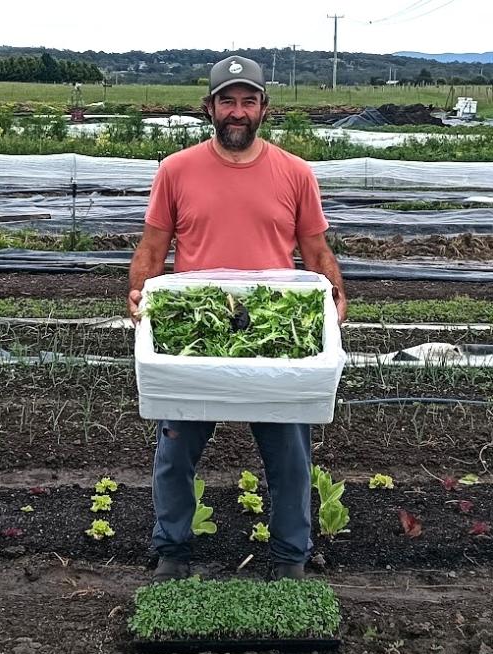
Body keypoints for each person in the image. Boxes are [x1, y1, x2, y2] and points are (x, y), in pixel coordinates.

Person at [127, 54, 347, 583]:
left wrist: (335, 297)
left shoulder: (294, 173)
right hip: (196, 330)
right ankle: (172, 551)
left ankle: (290, 558)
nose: (237, 111)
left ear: (264, 109)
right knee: (175, 450)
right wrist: (137, 293)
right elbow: (154, 248)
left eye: (248, 101)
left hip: (277, 331)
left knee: (291, 457)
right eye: (228, 100)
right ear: (209, 108)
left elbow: (315, 253)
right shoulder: (176, 170)